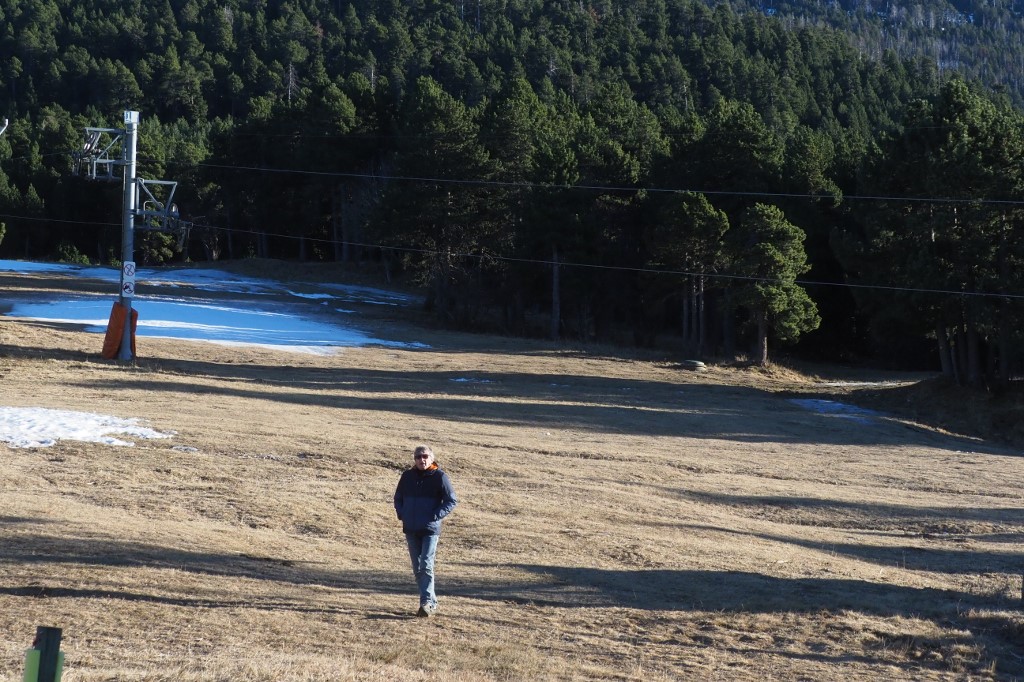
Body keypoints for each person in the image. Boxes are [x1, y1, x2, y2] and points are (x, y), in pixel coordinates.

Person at [393, 444, 458, 617]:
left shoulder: (440, 477)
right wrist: (402, 514)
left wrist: (436, 515)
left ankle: (427, 603)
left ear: (431, 458)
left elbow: (451, 500)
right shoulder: (407, 477)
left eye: (425, 456)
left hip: (430, 529)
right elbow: (398, 498)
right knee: (417, 568)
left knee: (426, 566)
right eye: (418, 457)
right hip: (411, 528)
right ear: (414, 459)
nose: (422, 460)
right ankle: (429, 602)